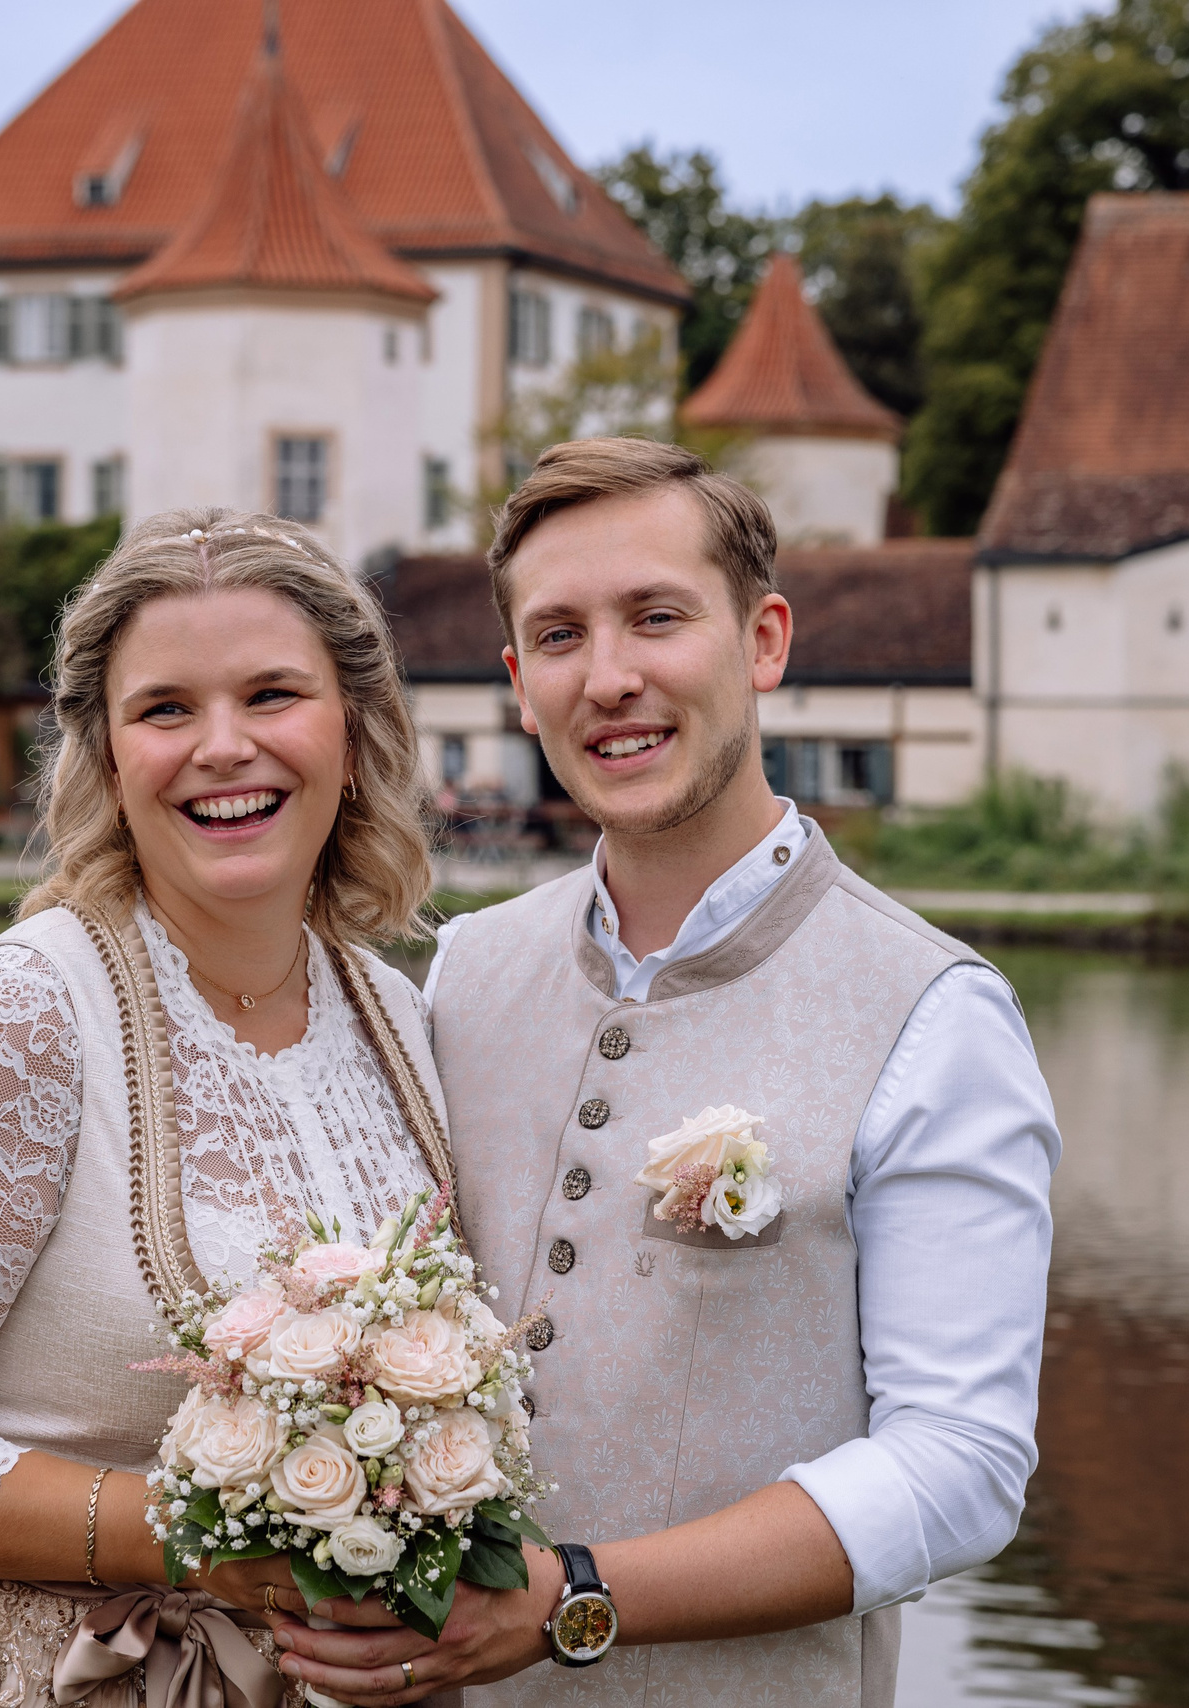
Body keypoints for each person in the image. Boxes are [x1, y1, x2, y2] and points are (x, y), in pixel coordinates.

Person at [272, 438, 1061, 1706]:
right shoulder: (466, 970)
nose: (613, 677)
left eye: (656, 617)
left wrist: (577, 1595)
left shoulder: (933, 1013)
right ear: (520, 686)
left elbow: (958, 1469)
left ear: (763, 641)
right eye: (562, 637)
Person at [0, 510, 460, 1708]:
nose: (224, 746)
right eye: (166, 708)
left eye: (273, 694)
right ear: (108, 756)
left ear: (357, 724)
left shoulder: (398, 1018)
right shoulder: (22, 1018)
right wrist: (199, 1535)